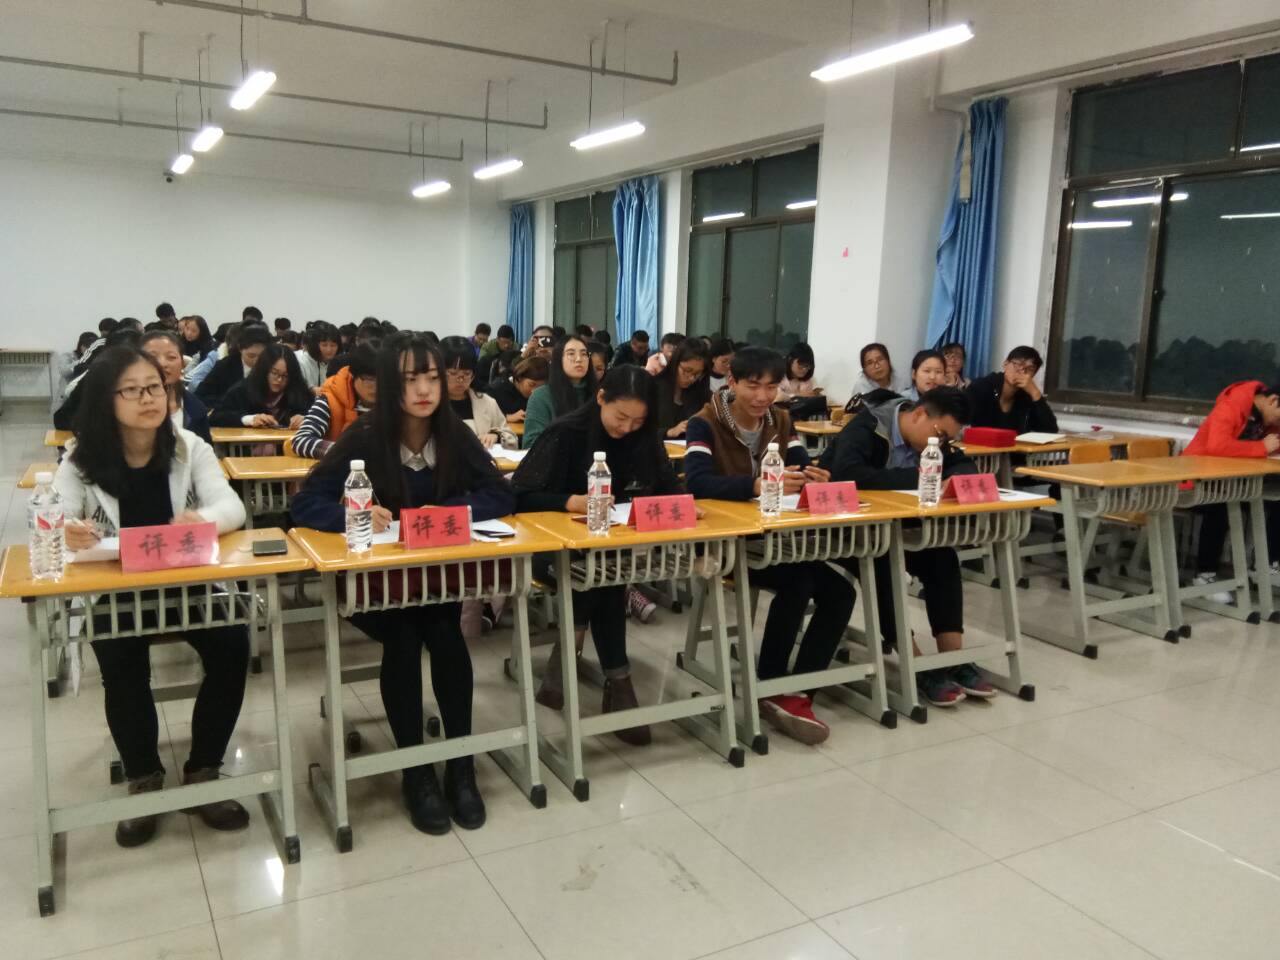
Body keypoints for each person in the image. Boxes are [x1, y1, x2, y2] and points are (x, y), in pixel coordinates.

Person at [292, 334, 513, 834]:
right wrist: (353, 515)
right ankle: (416, 771)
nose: (425, 389)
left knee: (447, 634)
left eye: (433, 377)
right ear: (392, 385)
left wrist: (451, 510)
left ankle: (460, 765)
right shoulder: (366, 435)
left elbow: (501, 495)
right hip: (374, 587)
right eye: (411, 379)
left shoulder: (453, 433)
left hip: (432, 580)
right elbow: (304, 504)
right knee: (406, 638)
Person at [57, 346, 250, 848]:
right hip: (119, 586)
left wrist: (203, 520)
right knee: (120, 661)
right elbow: (55, 518)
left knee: (233, 645)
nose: (149, 398)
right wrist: (68, 530)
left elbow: (232, 506)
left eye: (155, 387)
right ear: (107, 400)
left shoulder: (188, 446)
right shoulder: (80, 459)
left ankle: (204, 770)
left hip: (188, 580)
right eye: (134, 390)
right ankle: (143, 777)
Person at [684, 347, 855, 744]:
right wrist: (756, 485)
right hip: (728, 544)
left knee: (841, 591)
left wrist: (813, 476)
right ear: (732, 382)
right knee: (798, 582)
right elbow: (696, 482)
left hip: (775, 540)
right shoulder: (704, 423)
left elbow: (798, 462)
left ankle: (800, 690)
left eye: (771, 387)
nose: (762, 397)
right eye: (753, 386)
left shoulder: (780, 419)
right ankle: (771, 684)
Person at [510, 365, 683, 745]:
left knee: (604, 572)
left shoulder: (643, 438)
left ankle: (568, 660)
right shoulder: (566, 433)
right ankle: (619, 684)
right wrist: (567, 501)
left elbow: (667, 484)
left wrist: (682, 505)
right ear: (601, 398)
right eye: (621, 417)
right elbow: (518, 496)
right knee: (602, 579)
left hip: (614, 549)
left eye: (638, 421)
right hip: (554, 552)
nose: (628, 428)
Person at [820, 387, 994, 707]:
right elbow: (850, 476)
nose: (941, 443)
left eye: (947, 438)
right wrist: (923, 477)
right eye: (940, 434)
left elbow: (962, 465)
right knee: (883, 563)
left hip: (898, 529)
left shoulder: (935, 439)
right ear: (919, 415)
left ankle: (952, 659)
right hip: (847, 531)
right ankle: (916, 664)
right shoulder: (868, 427)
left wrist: (952, 479)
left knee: (942, 558)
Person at [1183, 381, 1280, 601]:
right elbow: (1217, 446)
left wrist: (1267, 447)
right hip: (1197, 482)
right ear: (1274, 401)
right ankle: (1204, 575)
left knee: (1276, 500)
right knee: (1221, 506)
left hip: (1233, 482)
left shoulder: (1266, 417)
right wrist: (1261, 447)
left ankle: (1267, 565)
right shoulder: (1231, 406)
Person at [289, 345, 379, 459]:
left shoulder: (392, 402)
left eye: (383, 379)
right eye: (370, 379)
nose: (377, 386)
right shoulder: (330, 399)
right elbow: (301, 440)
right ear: (353, 375)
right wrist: (343, 452)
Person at [207, 343, 311, 430]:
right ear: (264, 370)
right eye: (274, 373)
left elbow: (315, 416)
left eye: (285, 376)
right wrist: (248, 419)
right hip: (248, 446)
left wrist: (306, 420)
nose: (279, 380)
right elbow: (215, 417)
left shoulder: (300, 392)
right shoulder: (242, 390)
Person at [522, 333, 598, 450]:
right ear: (558, 359)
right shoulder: (541, 396)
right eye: (571, 354)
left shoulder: (599, 394)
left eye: (584, 354)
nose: (579, 359)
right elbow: (531, 444)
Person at [439, 337, 517, 449]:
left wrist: (496, 435)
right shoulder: (430, 404)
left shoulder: (487, 402)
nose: (460, 380)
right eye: (453, 373)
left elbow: (512, 439)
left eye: (466, 374)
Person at [964, 346, 1058, 434]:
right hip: (978, 445)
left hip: (1014, 446)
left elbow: (1051, 430)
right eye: (1018, 364)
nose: (1022, 371)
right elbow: (963, 424)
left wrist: (1035, 393)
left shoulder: (1027, 397)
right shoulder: (980, 387)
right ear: (1005, 364)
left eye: (1030, 369)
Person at [141, 330, 212, 443]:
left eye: (171, 357)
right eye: (152, 357)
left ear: (182, 364)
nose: (162, 364)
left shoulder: (195, 408)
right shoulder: (124, 408)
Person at [194, 324, 273, 409]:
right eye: (251, 356)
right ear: (240, 349)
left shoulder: (273, 366)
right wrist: (228, 402)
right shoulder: (225, 366)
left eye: (262, 356)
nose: (257, 361)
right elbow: (200, 395)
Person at [653, 339, 711, 439]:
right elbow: (640, 433)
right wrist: (668, 432)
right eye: (687, 370)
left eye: (697, 373)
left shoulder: (702, 393)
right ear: (675, 363)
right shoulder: (653, 388)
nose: (692, 378)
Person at [482, 356, 548, 421]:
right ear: (519, 377)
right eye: (531, 384)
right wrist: (507, 417)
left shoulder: (541, 394)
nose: (534, 391)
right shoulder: (496, 389)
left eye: (540, 387)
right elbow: (482, 413)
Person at [778, 342, 827, 419]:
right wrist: (798, 395)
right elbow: (777, 397)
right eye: (801, 366)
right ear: (790, 359)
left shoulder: (809, 379)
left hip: (804, 417)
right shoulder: (779, 376)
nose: (804, 369)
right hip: (783, 416)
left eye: (807, 366)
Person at [295, 321, 341, 393]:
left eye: (333, 345)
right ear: (314, 345)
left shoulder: (337, 362)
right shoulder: (300, 360)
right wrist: (311, 390)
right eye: (324, 345)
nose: (329, 350)